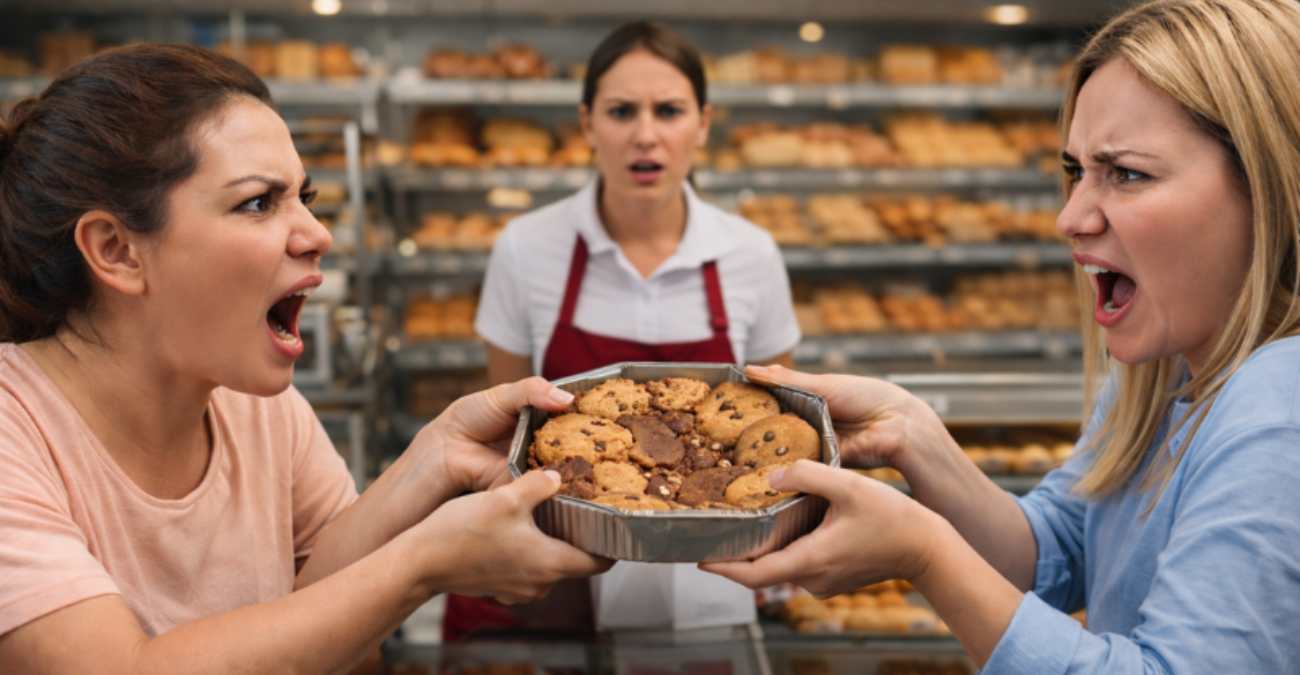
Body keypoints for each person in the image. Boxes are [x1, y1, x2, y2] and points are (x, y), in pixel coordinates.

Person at [702, 0, 1300, 672]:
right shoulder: (1165, 376)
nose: (1068, 217)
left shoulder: (1280, 413)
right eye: (1077, 172)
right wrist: (913, 432)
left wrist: (925, 552)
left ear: (1271, 185)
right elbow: (1053, 556)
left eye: (1127, 173)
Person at [0, 44, 610, 674]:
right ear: (117, 250)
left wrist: (437, 455)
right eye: (259, 202)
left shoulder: (260, 410)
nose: (318, 233)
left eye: (304, 196)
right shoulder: (15, 433)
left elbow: (326, 627)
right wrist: (424, 563)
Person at [462, 20, 801, 639]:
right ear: (588, 123)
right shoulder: (527, 248)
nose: (646, 135)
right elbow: (507, 432)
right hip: (566, 565)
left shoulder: (751, 254)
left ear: (702, 122)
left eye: (669, 111)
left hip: (711, 566)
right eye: (622, 111)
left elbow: (770, 424)